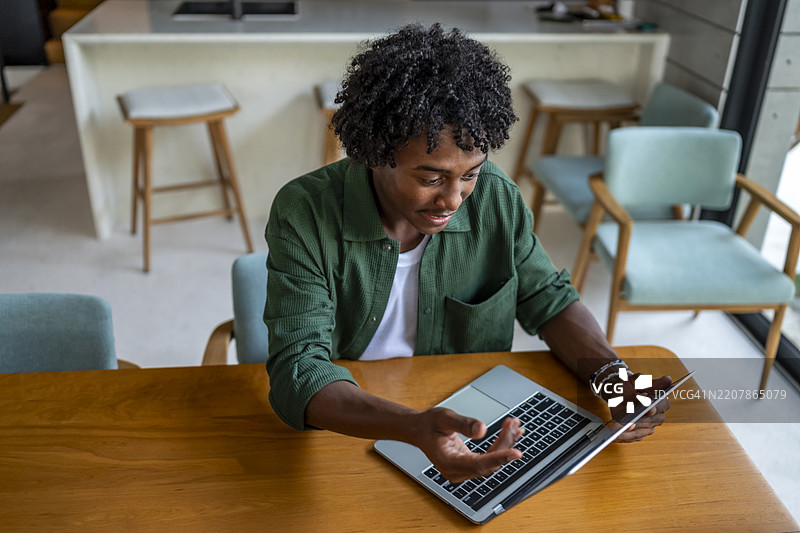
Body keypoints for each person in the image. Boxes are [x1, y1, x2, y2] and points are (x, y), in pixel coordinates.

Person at [264, 23, 671, 483]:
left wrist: (614, 381)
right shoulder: (305, 212)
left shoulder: (497, 198)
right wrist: (413, 427)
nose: (455, 200)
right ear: (375, 153)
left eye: (470, 174)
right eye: (431, 178)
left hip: (474, 421)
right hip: (356, 425)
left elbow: (549, 299)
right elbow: (299, 369)